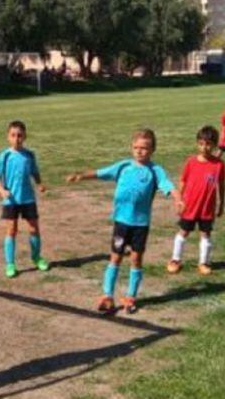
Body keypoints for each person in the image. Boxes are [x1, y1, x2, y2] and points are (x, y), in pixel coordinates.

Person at [67, 129, 178, 314]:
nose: (139, 151)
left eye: (144, 148)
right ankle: (107, 295)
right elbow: (102, 172)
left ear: (152, 150)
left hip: (141, 224)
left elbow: (168, 185)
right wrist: (81, 175)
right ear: (131, 148)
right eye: (136, 147)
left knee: (136, 259)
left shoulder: (155, 171)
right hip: (121, 222)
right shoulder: (124, 166)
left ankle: (130, 296)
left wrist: (177, 198)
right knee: (116, 257)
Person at [0, 120, 49, 278]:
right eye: (13, 135)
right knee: (11, 230)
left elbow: (34, 172)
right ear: (8, 137)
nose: (17, 138)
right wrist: (2, 191)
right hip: (11, 200)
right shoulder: (5, 156)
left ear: (25, 136)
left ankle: (36, 257)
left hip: (28, 199)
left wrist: (39, 184)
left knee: (34, 228)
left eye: (20, 135)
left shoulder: (30, 155)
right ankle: (10, 264)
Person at [169, 126, 225, 276]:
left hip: (207, 208)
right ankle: (175, 260)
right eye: (201, 143)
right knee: (183, 232)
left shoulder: (219, 165)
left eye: (208, 144)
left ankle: (203, 262)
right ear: (197, 144)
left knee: (205, 235)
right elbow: (183, 181)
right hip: (190, 207)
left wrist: (221, 204)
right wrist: (179, 200)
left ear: (214, 145)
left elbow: (221, 185)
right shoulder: (191, 162)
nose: (204, 147)